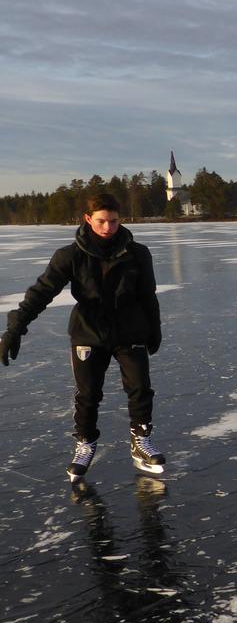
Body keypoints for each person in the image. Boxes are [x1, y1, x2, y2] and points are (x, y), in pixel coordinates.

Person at [0, 192, 165, 481]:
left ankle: (140, 441)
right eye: (101, 221)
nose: (108, 228)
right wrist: (14, 329)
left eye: (113, 221)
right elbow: (40, 293)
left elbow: (148, 296)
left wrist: (154, 329)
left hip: (130, 330)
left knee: (140, 388)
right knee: (88, 395)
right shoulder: (70, 255)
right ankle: (85, 443)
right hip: (88, 331)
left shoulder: (138, 253)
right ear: (88, 219)